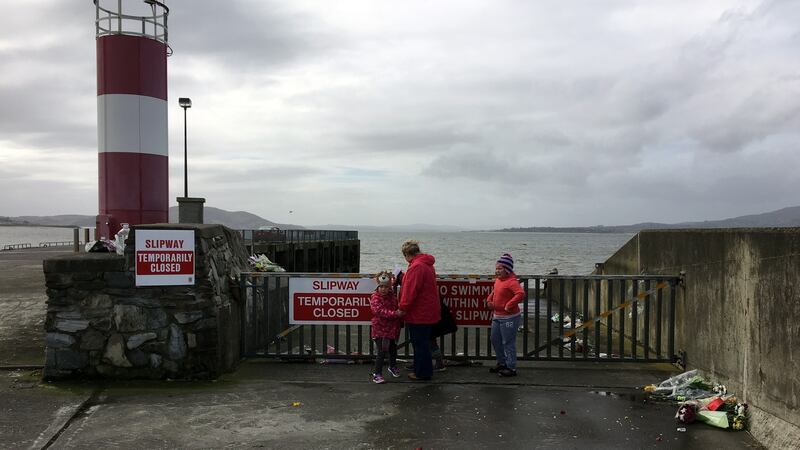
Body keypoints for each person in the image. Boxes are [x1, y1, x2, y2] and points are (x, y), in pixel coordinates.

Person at [396, 240, 441, 381]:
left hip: (419, 312)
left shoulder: (416, 267)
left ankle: (422, 373)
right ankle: (422, 370)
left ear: (407, 254)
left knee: (419, 344)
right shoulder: (426, 264)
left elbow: (411, 290)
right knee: (423, 343)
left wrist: (402, 308)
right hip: (428, 310)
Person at [486, 253, 525, 377]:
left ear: (507, 269)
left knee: (508, 342)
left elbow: (520, 293)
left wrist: (509, 305)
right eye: (496, 268)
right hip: (497, 315)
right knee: (495, 339)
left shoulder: (511, 281)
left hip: (510, 317)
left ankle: (511, 367)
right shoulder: (498, 280)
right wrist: (489, 300)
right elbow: (494, 291)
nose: (497, 271)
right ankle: (502, 363)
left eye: (500, 268)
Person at [370, 271, 402, 384]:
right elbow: (378, 311)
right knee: (382, 352)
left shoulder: (392, 297)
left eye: (386, 287)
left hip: (392, 329)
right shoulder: (375, 298)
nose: (383, 289)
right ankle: (377, 374)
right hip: (380, 330)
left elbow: (397, 305)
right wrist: (395, 314)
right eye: (381, 287)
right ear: (378, 286)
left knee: (393, 349)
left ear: (389, 287)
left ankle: (392, 366)